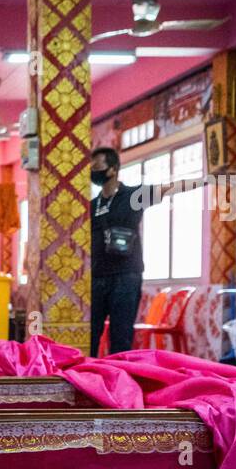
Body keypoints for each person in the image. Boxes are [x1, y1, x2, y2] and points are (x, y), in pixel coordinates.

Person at [90, 147, 144, 356]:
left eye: (97, 166)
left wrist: (208, 180)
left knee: (121, 337)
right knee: (90, 334)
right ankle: (87, 381)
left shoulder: (134, 196)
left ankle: (119, 383)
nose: (93, 171)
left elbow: (169, 188)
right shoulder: (91, 206)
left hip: (126, 276)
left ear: (112, 169)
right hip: (97, 277)